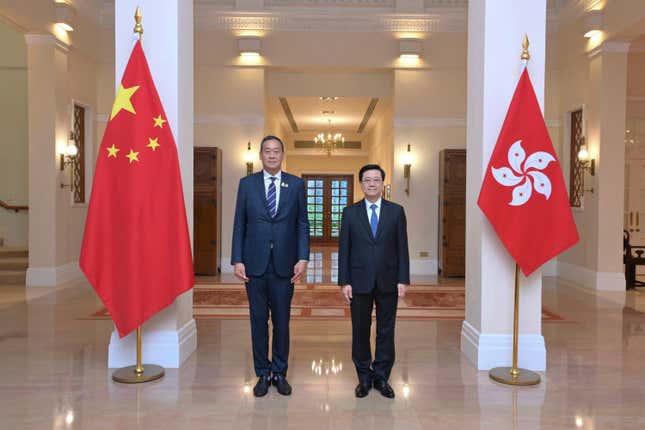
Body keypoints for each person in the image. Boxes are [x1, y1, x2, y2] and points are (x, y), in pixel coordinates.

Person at [231, 135, 310, 397]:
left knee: (282, 323)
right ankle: (262, 374)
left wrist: (303, 257)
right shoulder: (247, 184)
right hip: (253, 264)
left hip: (285, 265)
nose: (272, 155)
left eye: (276, 151)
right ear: (261, 156)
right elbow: (239, 224)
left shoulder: (296, 184)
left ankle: (280, 372)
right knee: (258, 322)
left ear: (283, 154)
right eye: (267, 151)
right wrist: (237, 259)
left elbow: (301, 224)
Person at [338, 164, 410, 399]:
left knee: (386, 331)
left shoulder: (396, 211)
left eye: (376, 180)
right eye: (367, 180)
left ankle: (381, 377)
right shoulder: (349, 213)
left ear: (382, 183)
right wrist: (344, 281)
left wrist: (403, 279)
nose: (371, 184)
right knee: (360, 330)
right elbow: (344, 250)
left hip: (389, 280)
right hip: (358, 281)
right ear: (361, 184)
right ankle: (363, 378)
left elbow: (402, 248)